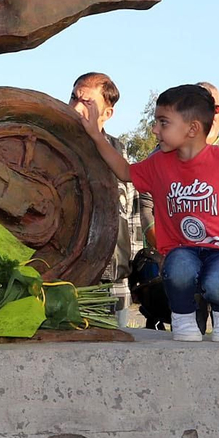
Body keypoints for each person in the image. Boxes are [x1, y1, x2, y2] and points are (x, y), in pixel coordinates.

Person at [78, 84, 219, 342]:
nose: (155, 129)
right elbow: (124, 171)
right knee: (178, 269)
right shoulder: (158, 163)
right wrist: (97, 136)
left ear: (192, 129)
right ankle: (183, 316)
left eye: (163, 122)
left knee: (218, 283)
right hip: (182, 248)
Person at [67, 72, 137, 282]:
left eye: (87, 103)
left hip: (111, 279)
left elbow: (131, 217)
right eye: (74, 98)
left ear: (107, 113)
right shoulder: (50, 146)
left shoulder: (119, 152)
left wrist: (131, 267)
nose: (76, 108)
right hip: (63, 277)